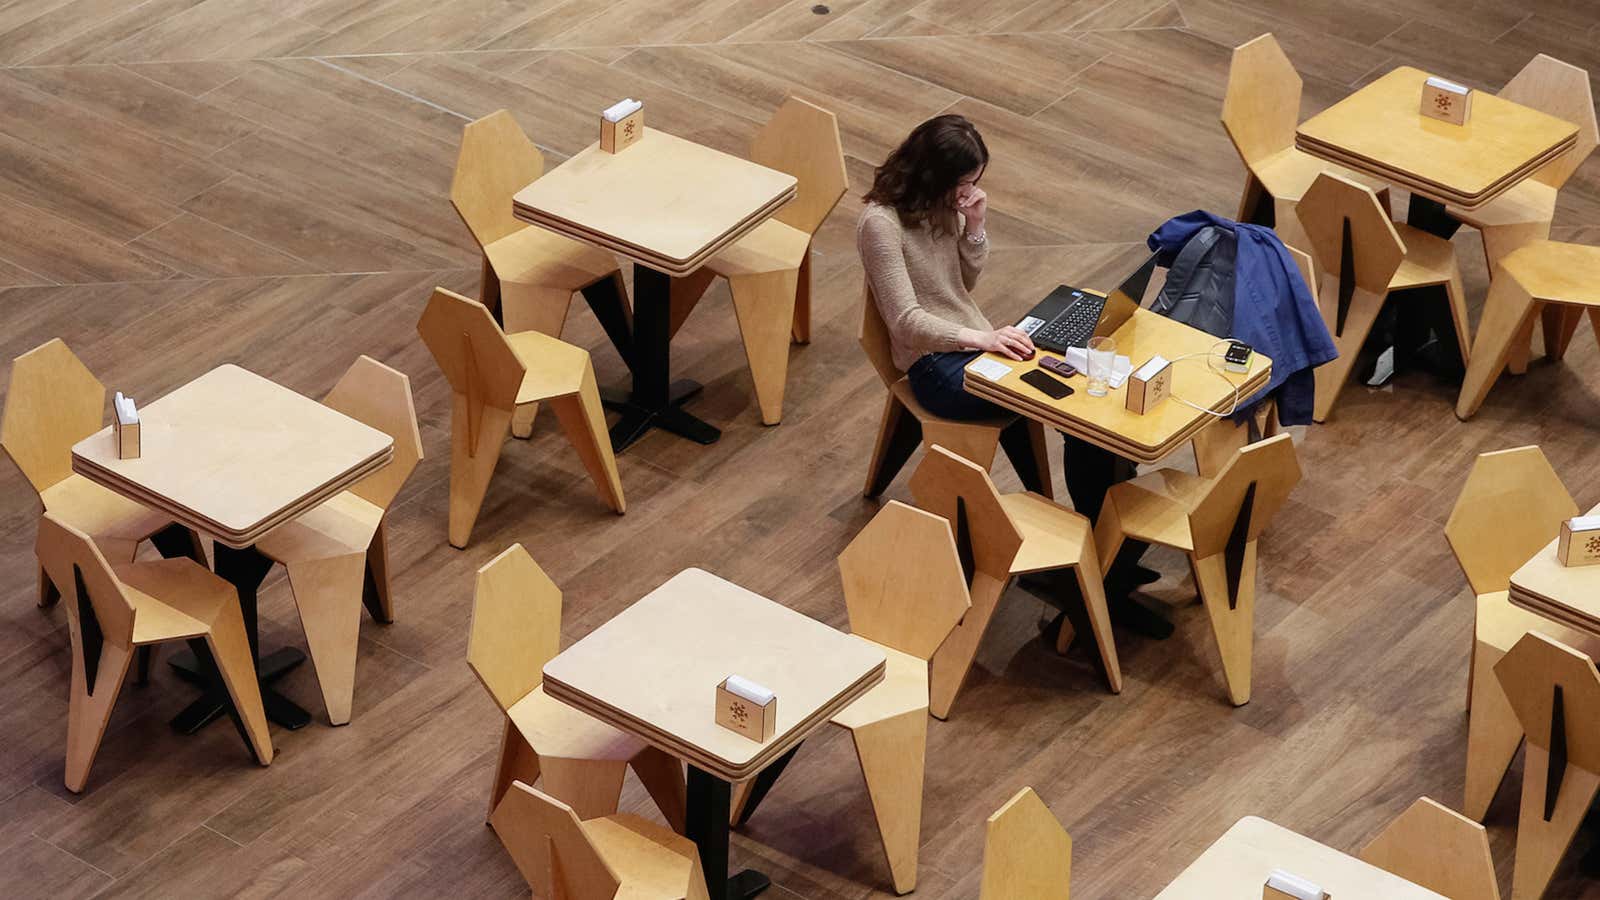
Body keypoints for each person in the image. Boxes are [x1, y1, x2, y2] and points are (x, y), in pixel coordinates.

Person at [857, 115, 1169, 640]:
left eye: (973, 182)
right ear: (930, 174)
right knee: (1075, 409)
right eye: (962, 183)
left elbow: (964, 282)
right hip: (936, 366)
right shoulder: (880, 224)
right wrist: (980, 339)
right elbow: (906, 321)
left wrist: (974, 228)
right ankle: (1096, 568)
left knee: (1088, 400)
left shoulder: (946, 208)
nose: (969, 192)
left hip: (979, 345)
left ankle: (1103, 551)